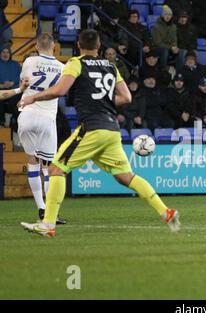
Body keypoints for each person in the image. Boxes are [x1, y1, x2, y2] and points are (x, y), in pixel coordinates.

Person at [20, 29, 180, 237]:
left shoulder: (76, 63)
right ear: (99, 47)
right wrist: (104, 102)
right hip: (112, 130)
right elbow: (127, 97)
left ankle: (48, 224)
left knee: (56, 169)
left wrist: (34, 98)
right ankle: (165, 211)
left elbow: (60, 91)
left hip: (92, 128)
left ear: (78, 45)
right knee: (127, 177)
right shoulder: (111, 66)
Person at [17, 33, 66, 224]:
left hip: (27, 115)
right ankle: (50, 213)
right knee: (48, 167)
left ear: (37, 46)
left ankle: (41, 207)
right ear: (54, 46)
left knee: (32, 162)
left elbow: (24, 83)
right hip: (47, 119)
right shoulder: (63, 67)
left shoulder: (29, 61)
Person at [152, 5, 182, 70]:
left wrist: (175, 47)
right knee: (165, 51)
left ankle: (179, 74)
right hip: (157, 48)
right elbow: (157, 43)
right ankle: (163, 70)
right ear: (162, 15)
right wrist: (171, 47)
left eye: (169, 15)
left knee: (180, 52)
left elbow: (174, 40)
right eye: (166, 14)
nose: (168, 16)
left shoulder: (174, 27)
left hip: (170, 48)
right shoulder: (156, 27)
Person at [0, 46, 21, 128]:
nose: (5, 54)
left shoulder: (16, 64)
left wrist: (12, 83)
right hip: (1, 89)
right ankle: (2, 122)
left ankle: (13, 121)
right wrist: (2, 85)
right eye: (3, 52)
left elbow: (21, 78)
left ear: (10, 54)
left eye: (7, 52)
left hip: (14, 90)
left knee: (18, 99)